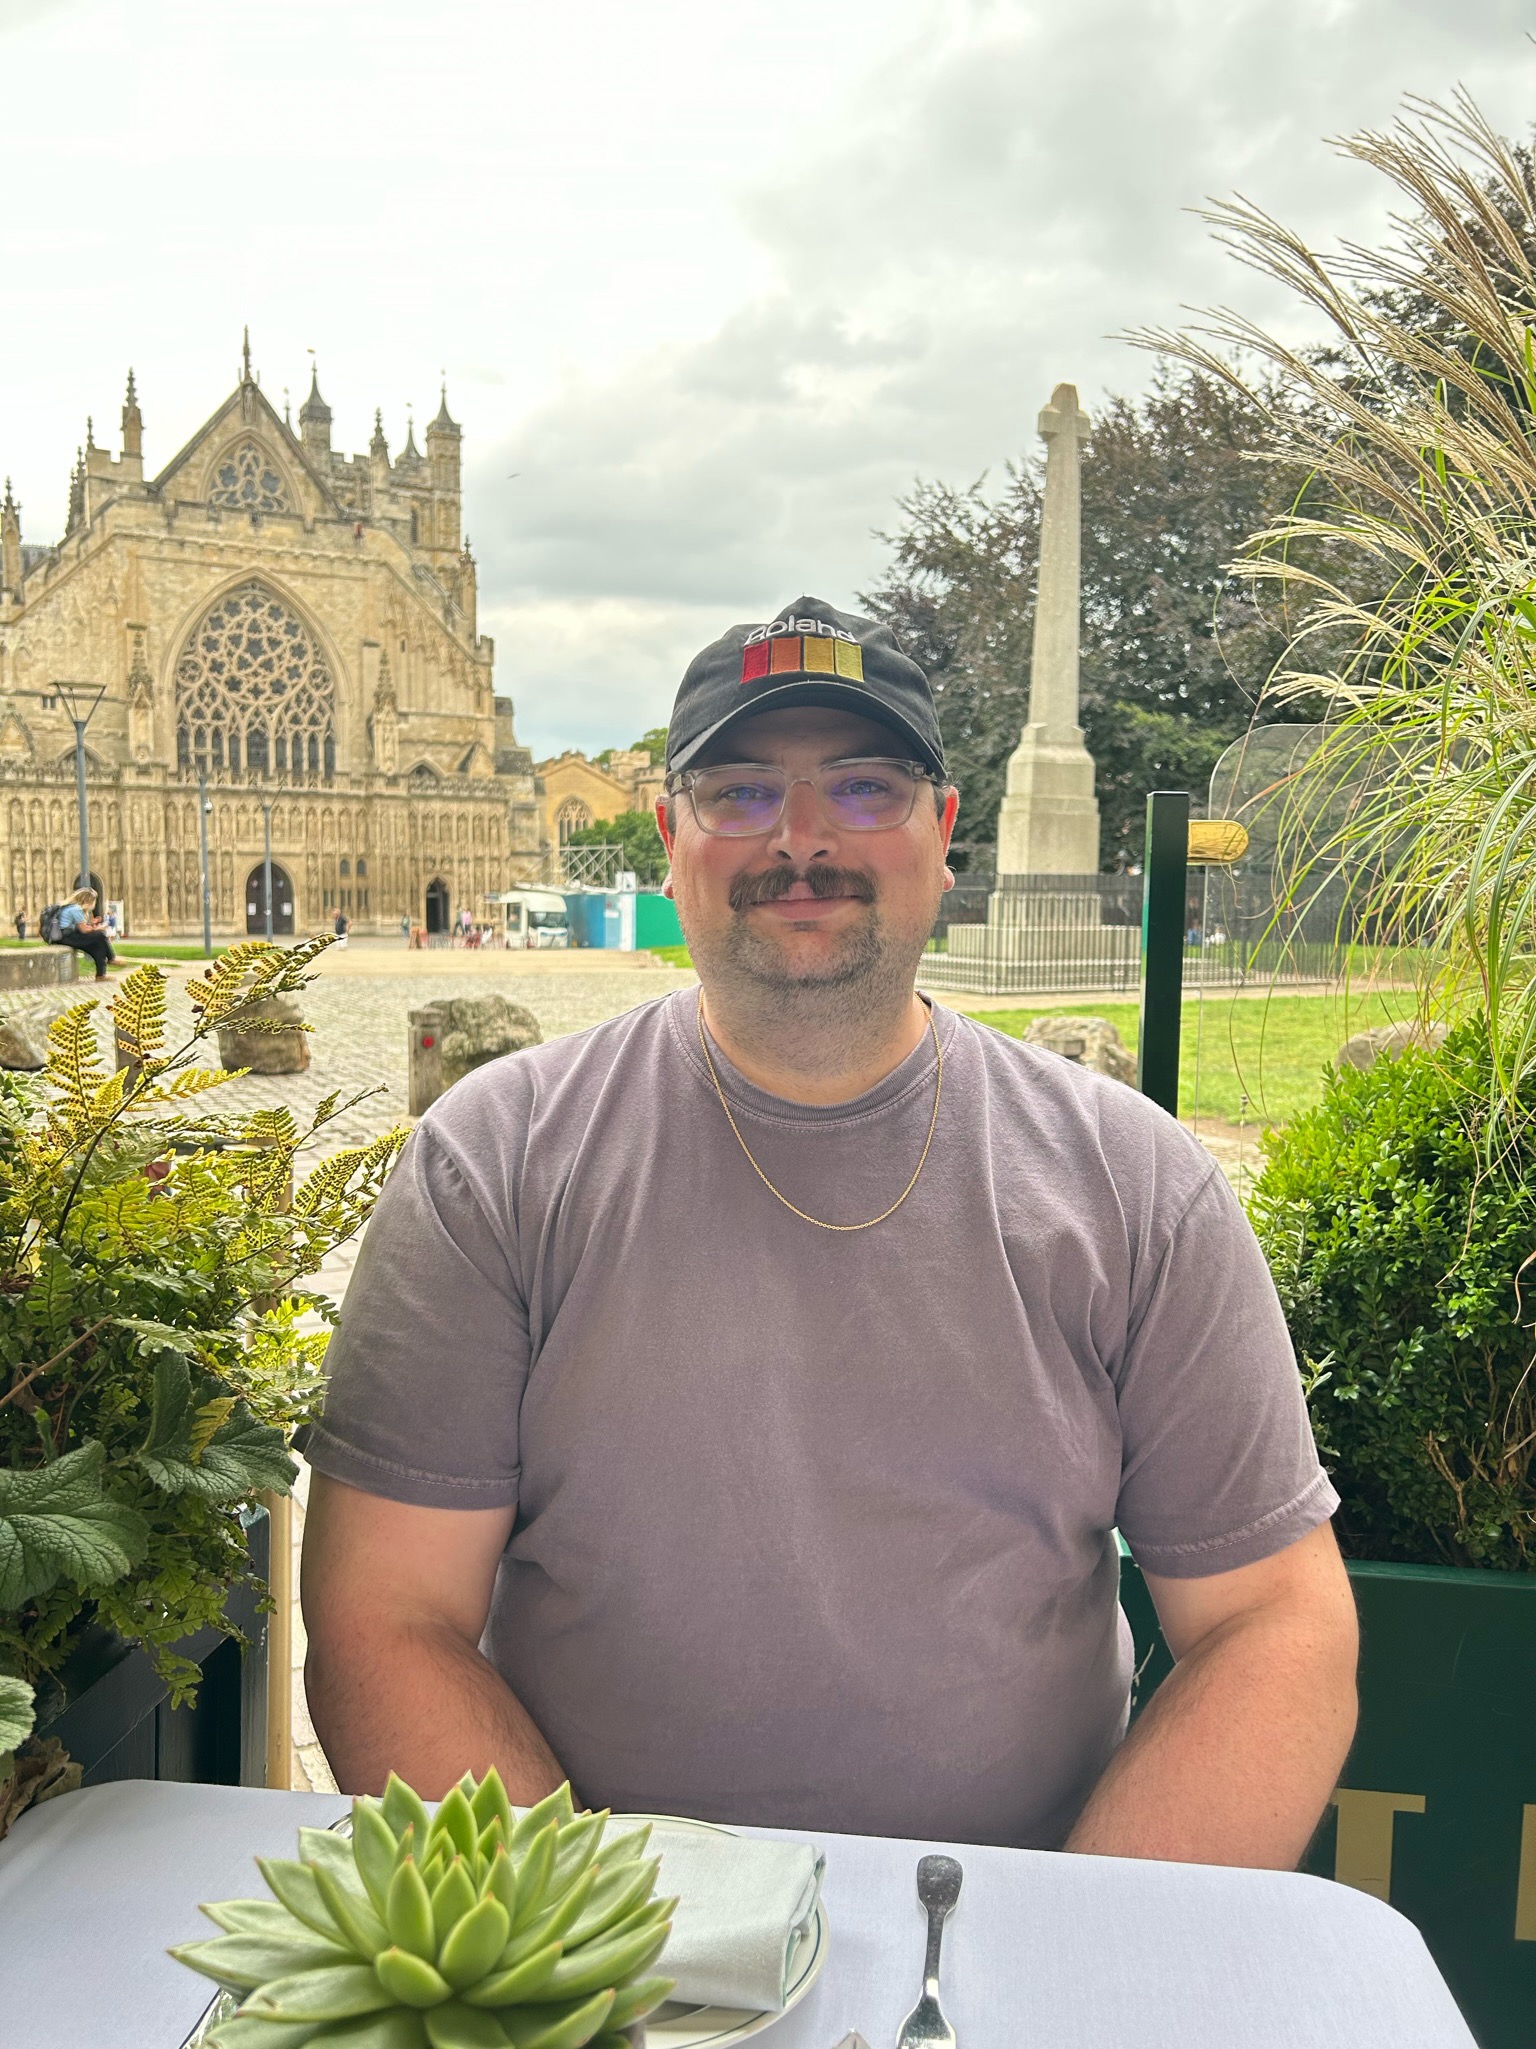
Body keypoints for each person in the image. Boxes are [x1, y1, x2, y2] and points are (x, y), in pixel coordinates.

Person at [302, 596, 1356, 1865]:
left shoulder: (1134, 1183)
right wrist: (592, 1960)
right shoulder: (496, 1162)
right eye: (739, 793)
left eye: (864, 788)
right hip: (603, 1928)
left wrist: (1066, 1969)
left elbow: (1277, 1624)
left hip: (1010, 1914)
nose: (801, 839)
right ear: (670, 838)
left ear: (943, 831)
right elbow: (385, 1617)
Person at [55, 887, 116, 979]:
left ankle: (102, 973)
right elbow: (84, 930)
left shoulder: (69, 907)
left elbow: (81, 927)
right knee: (100, 935)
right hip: (67, 937)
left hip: (63, 937)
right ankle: (111, 959)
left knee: (98, 946)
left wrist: (92, 926)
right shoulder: (76, 909)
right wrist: (99, 929)